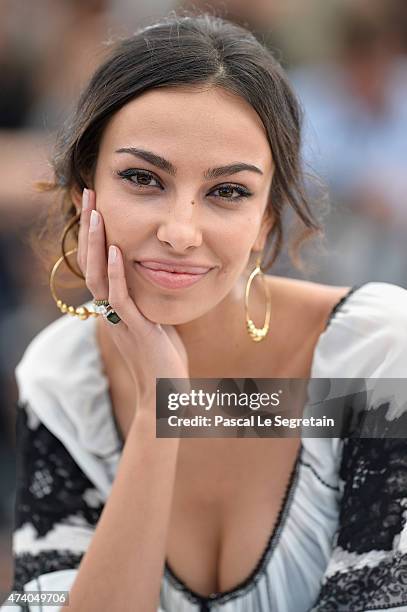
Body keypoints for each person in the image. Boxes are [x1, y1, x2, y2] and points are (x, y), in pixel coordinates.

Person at [2, 12, 407, 612]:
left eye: (228, 191)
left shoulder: (368, 355)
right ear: (85, 191)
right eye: (143, 178)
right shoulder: (67, 376)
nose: (181, 231)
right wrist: (157, 404)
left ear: (266, 218)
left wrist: (182, 404)